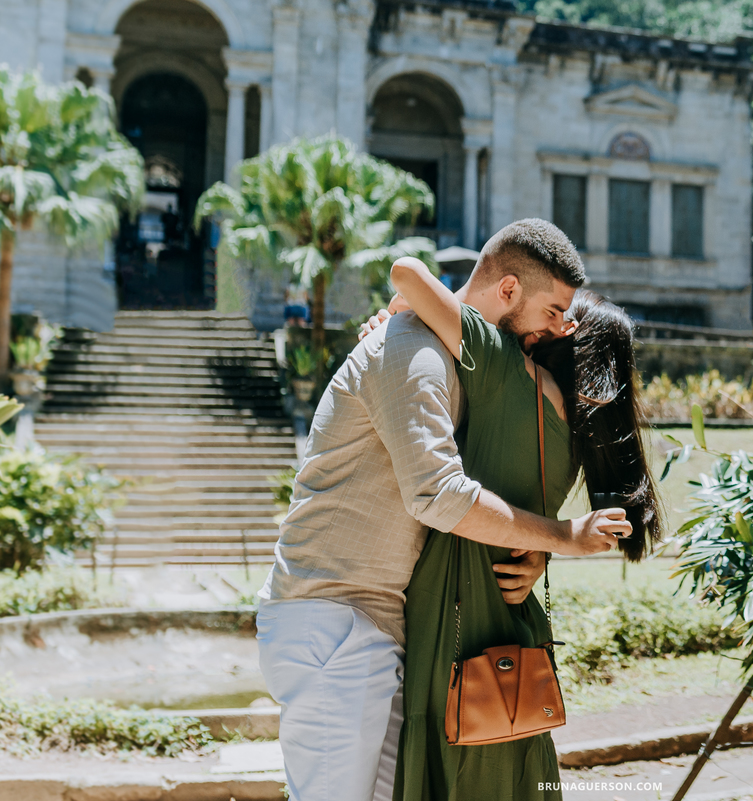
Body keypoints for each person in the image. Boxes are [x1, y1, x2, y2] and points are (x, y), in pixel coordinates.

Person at [256, 219, 632, 801]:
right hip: (332, 615)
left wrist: (534, 551)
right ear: (509, 290)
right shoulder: (413, 350)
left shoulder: (465, 362)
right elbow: (438, 494)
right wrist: (563, 536)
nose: (563, 326)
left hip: (383, 621)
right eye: (554, 310)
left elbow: (498, 479)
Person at [366, 254, 663, 801]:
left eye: (561, 316)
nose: (552, 322)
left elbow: (406, 274)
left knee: (450, 752)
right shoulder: (581, 437)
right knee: (509, 750)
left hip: (453, 603)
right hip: (514, 616)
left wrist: (402, 316)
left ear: (568, 335)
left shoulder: (504, 368)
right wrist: (544, 553)